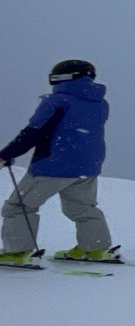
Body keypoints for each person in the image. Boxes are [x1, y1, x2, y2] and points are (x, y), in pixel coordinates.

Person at [0, 59, 116, 264]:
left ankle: (16, 252)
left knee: (19, 207)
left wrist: (6, 154)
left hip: (53, 166)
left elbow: (34, 132)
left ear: (62, 78)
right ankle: (95, 249)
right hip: (87, 166)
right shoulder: (99, 103)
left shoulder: (57, 101)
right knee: (82, 208)